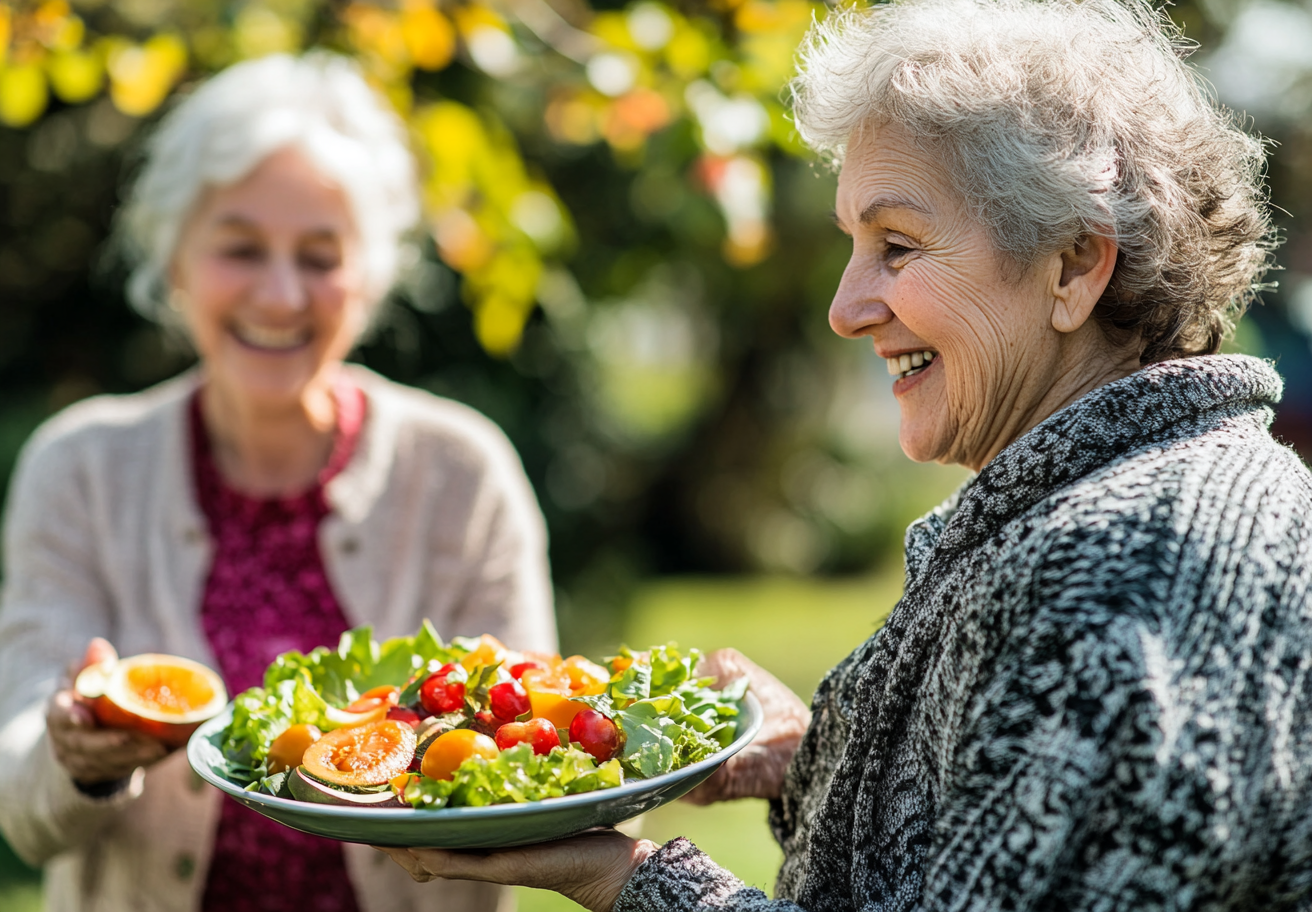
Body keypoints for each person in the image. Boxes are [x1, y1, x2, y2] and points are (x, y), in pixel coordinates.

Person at [379, 0, 1312, 908]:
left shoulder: (1127, 565)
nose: (844, 308)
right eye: (853, 243)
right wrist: (817, 762)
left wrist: (629, 881)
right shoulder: (1109, 509)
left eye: (897, 245)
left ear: (1072, 265)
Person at [0, 53, 557, 912]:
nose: (281, 293)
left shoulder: (462, 474)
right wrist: (74, 755)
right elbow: (21, 807)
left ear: (369, 277)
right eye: (241, 248)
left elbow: (540, 758)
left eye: (320, 255)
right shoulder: (78, 470)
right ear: (175, 260)